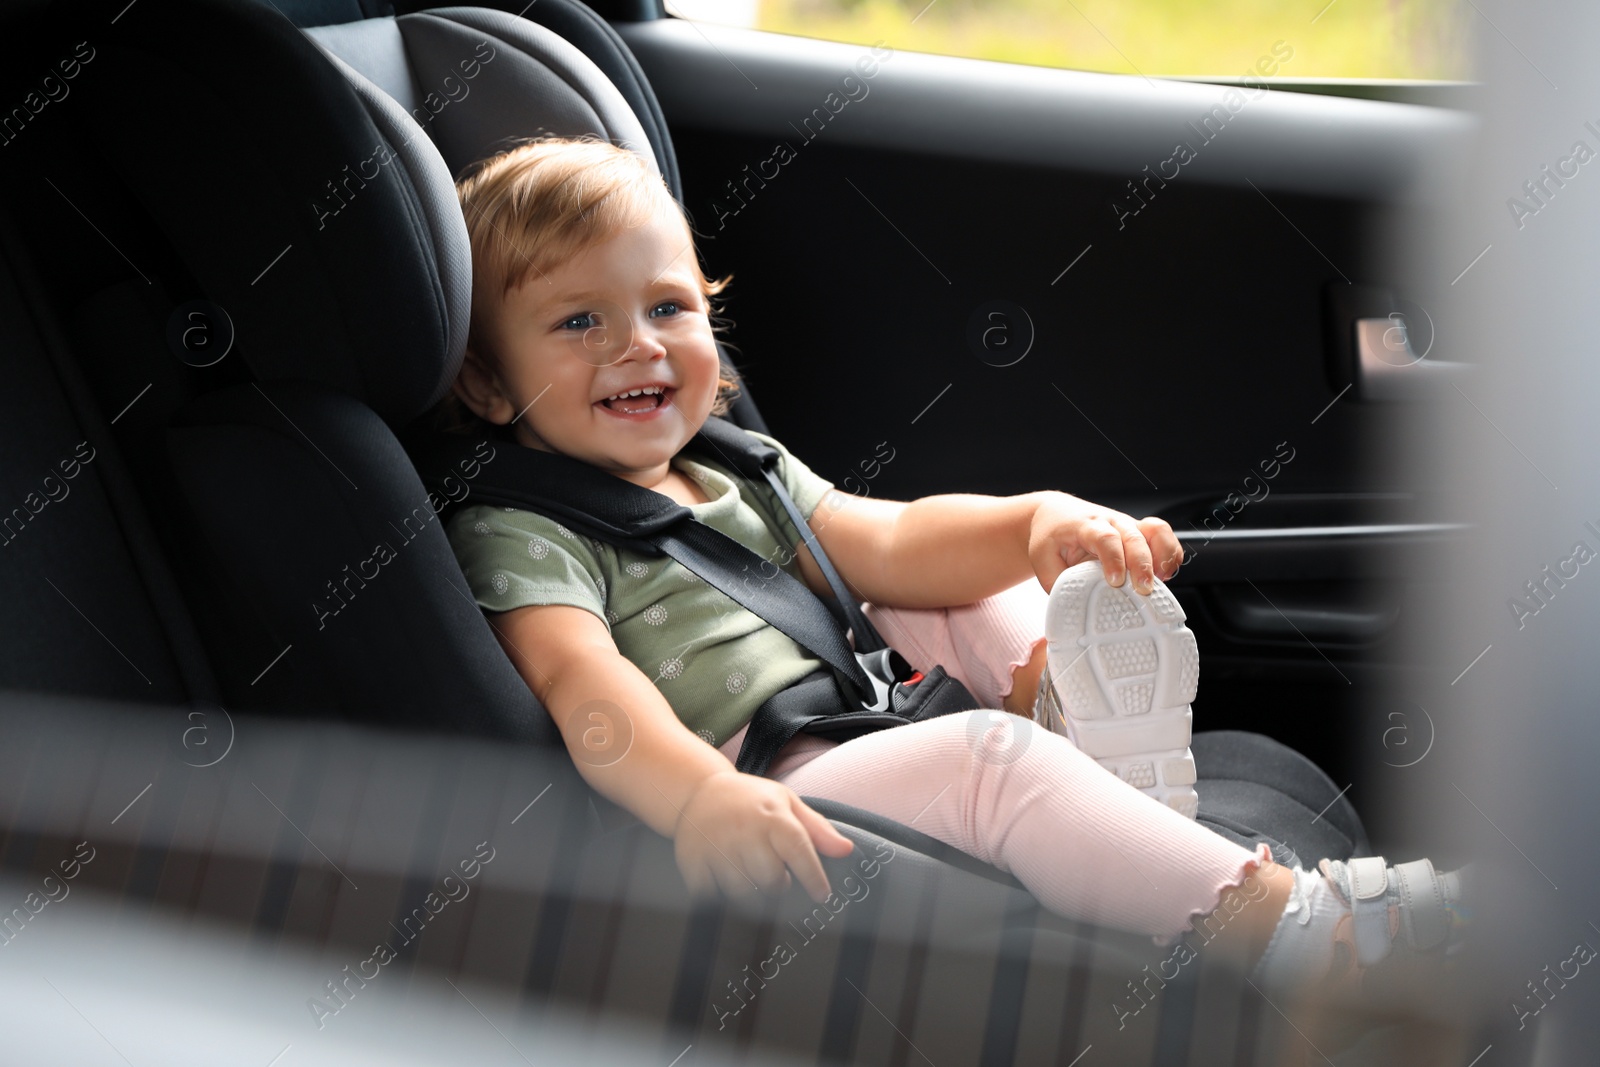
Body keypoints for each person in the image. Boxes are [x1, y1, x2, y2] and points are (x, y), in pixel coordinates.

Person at [437, 134, 1464, 998]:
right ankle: (1299, 931)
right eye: (580, 323)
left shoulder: (731, 465)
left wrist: (1032, 523)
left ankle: (1074, 727)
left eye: (667, 307)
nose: (639, 347)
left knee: (958, 578)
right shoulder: (521, 531)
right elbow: (587, 687)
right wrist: (700, 795)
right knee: (986, 763)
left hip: (858, 713)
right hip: (778, 783)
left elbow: (889, 536)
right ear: (487, 384)